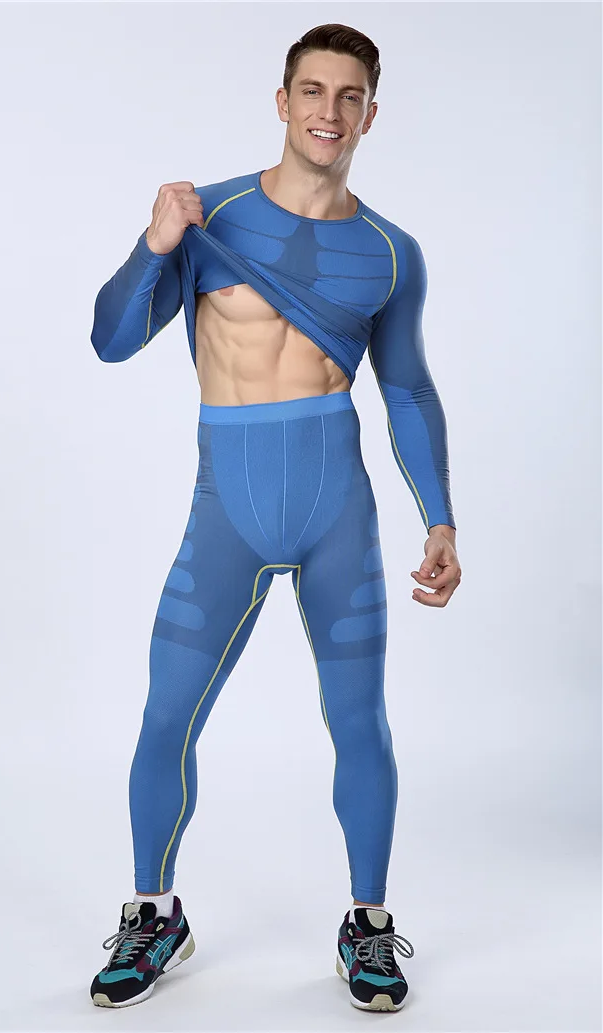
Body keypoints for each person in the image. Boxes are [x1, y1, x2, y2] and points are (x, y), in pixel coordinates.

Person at [88, 22, 462, 1013]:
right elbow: (111, 340)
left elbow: (408, 388)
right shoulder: (208, 216)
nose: (328, 112)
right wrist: (152, 245)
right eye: (312, 91)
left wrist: (439, 517)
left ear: (370, 115)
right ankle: (154, 913)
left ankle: (368, 925)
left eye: (349, 96)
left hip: (338, 510)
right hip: (230, 512)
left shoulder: (392, 253)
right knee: (167, 714)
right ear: (283, 100)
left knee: (360, 722)